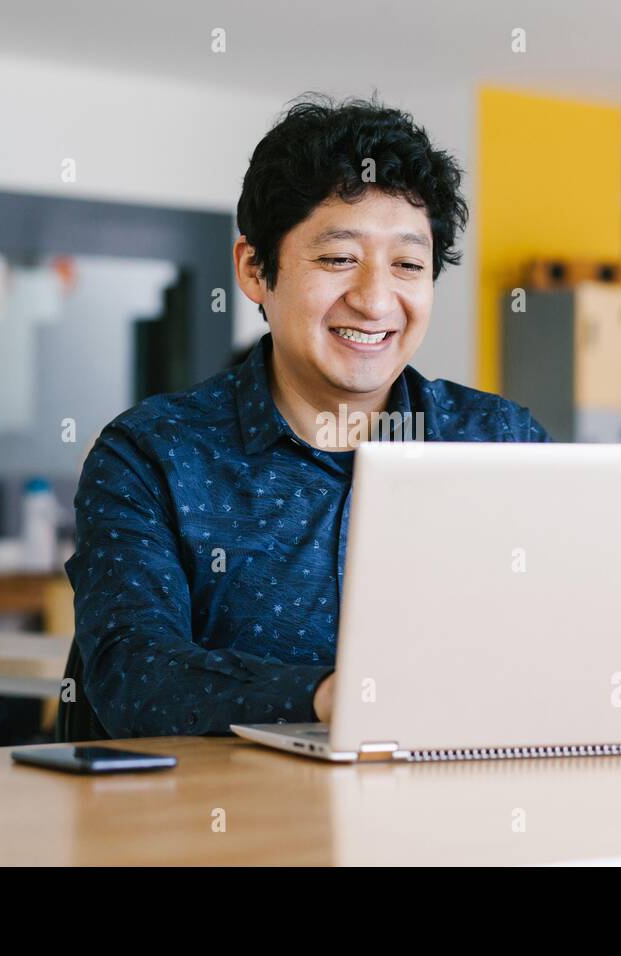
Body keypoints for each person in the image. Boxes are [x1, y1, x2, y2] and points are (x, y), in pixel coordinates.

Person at [66, 93, 549, 737]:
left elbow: (572, 639)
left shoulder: (503, 443)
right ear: (254, 269)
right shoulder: (151, 456)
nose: (376, 300)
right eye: (338, 258)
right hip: (218, 825)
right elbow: (134, 676)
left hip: (451, 810)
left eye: (408, 264)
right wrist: (326, 696)